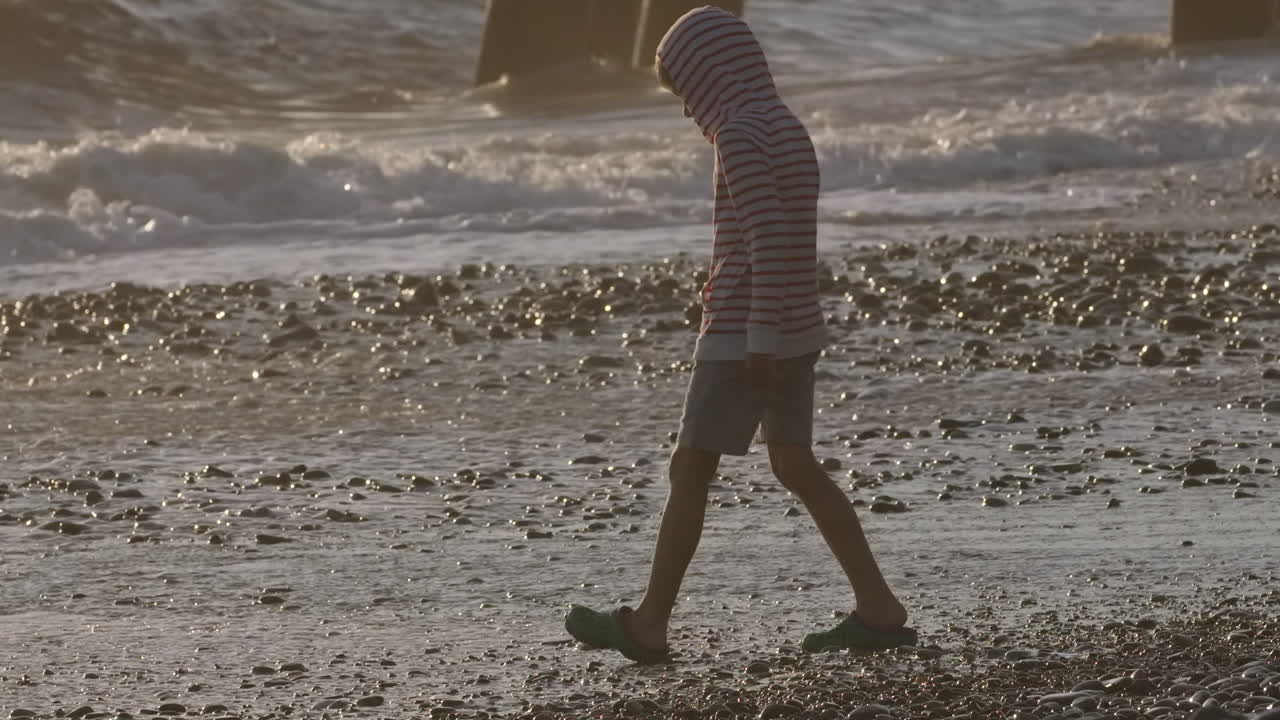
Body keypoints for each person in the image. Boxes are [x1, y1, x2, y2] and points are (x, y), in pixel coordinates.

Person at [564, 5, 915, 663]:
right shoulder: (785, 124)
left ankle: (649, 622)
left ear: (710, 74)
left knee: (689, 467)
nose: (686, 108)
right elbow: (790, 240)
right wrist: (783, 333)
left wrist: (758, 338)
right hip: (795, 326)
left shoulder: (738, 134)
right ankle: (879, 607)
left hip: (744, 333)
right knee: (795, 465)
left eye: (685, 91)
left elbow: (768, 238)